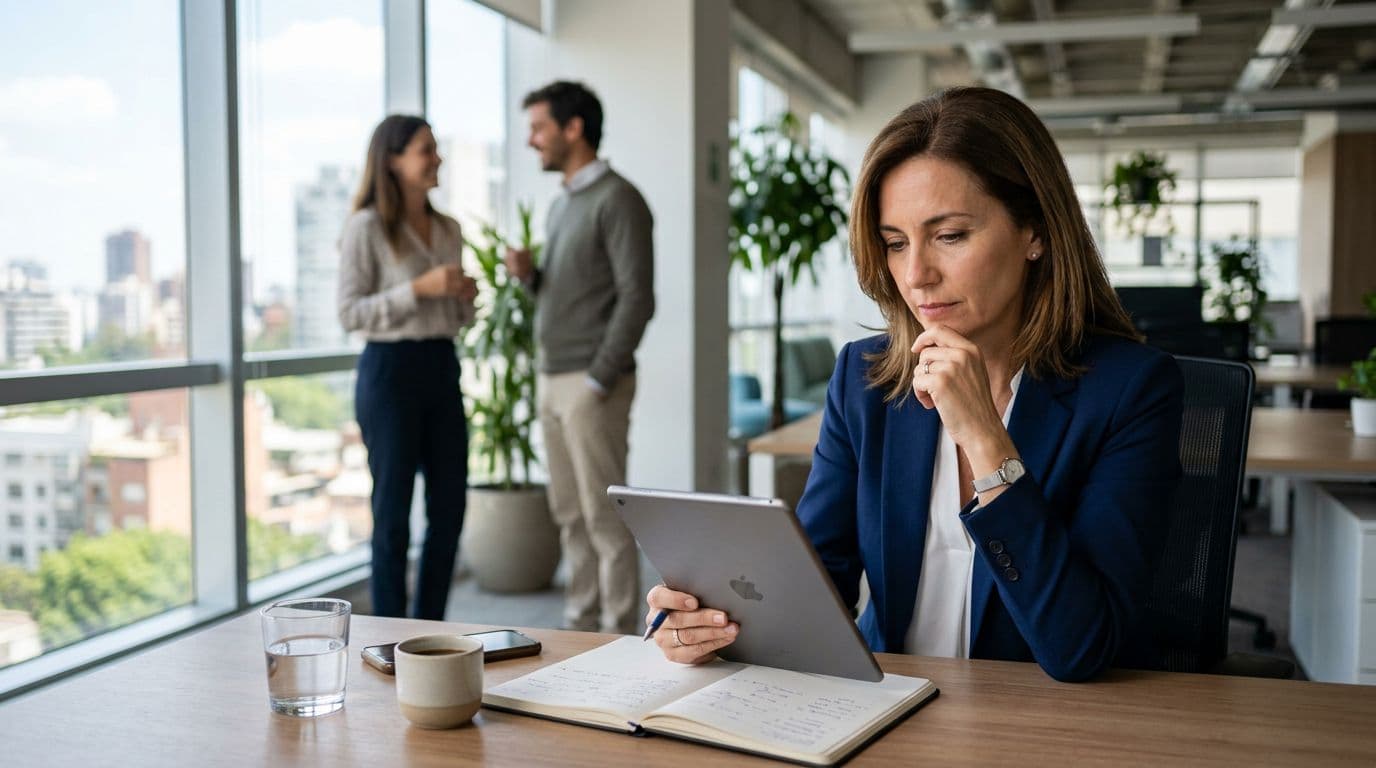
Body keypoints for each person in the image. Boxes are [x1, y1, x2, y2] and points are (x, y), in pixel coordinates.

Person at [646, 87, 1184, 682]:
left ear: (1035, 231)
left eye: (949, 235)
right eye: (896, 243)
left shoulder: (1131, 390)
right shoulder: (865, 377)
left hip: (1045, 721)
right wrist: (713, 621)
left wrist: (985, 439)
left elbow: (1081, 647)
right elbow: (817, 575)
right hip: (892, 707)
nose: (915, 275)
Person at [505, 81, 655, 635]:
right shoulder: (562, 203)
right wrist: (529, 278)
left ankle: (617, 633)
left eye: (539, 127)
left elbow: (637, 297)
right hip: (552, 378)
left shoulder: (619, 199)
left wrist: (599, 377)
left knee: (603, 517)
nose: (531, 140)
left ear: (573, 129)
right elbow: (568, 293)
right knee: (569, 513)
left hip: (592, 383)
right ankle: (578, 625)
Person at [338, 115, 478, 620]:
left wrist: (464, 298)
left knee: (449, 509)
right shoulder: (366, 227)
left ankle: (429, 631)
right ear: (393, 160)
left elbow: (457, 318)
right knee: (392, 516)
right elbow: (350, 312)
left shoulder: (448, 229)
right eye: (426, 149)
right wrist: (419, 289)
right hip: (389, 371)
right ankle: (389, 637)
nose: (436, 158)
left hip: (440, 364)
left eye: (436, 148)